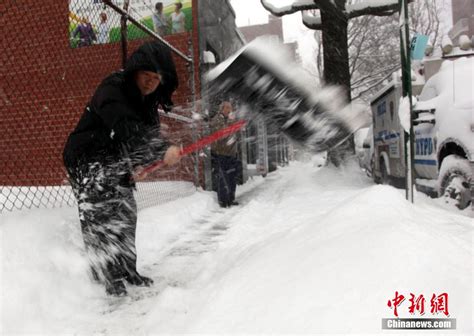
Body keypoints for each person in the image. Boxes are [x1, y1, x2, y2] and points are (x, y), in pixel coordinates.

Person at [63, 41, 181, 296]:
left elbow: (144, 137)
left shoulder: (147, 102)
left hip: (114, 157)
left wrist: (141, 163)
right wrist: (162, 150)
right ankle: (105, 276)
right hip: (85, 156)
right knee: (100, 212)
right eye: (146, 76)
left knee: (126, 212)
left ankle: (128, 270)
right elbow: (129, 129)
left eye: (156, 78)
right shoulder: (112, 89)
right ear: (134, 72)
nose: (151, 83)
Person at [210, 101, 241, 208]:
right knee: (223, 178)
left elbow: (236, 132)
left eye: (230, 108)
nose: (229, 110)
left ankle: (230, 199)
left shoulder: (229, 120)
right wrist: (231, 123)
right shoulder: (217, 119)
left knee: (232, 178)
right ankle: (223, 201)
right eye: (227, 107)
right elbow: (222, 134)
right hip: (221, 153)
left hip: (232, 153)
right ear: (222, 109)